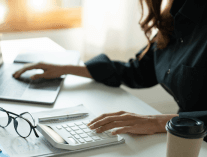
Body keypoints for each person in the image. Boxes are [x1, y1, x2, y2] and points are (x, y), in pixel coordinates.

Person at [13, 0, 207, 142]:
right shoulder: (176, 11)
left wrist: (159, 122)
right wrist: (67, 69)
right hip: (185, 142)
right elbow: (139, 71)